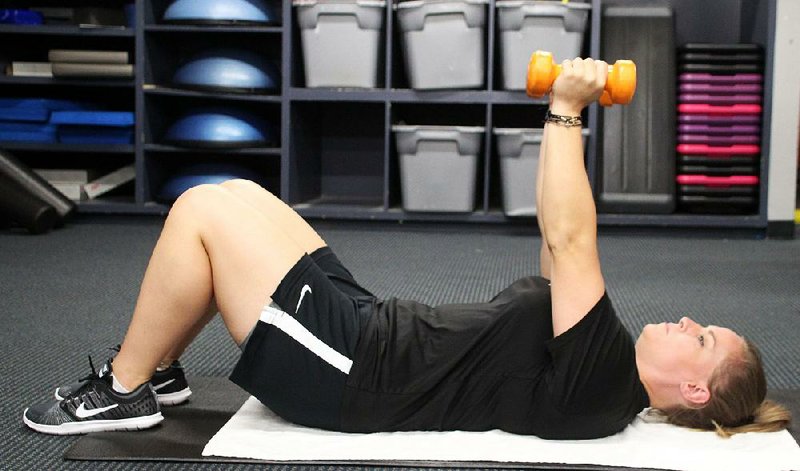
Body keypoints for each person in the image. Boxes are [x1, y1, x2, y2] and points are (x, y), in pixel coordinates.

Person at [23, 58, 790, 439]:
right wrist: (573, 121)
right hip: (370, 326)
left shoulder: (603, 384)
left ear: (694, 390)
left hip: (352, 368)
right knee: (238, 196)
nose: (690, 321)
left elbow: (569, 233)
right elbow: (557, 247)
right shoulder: (601, 356)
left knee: (198, 212)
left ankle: (124, 389)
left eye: (705, 338)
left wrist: (566, 108)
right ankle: (161, 369)